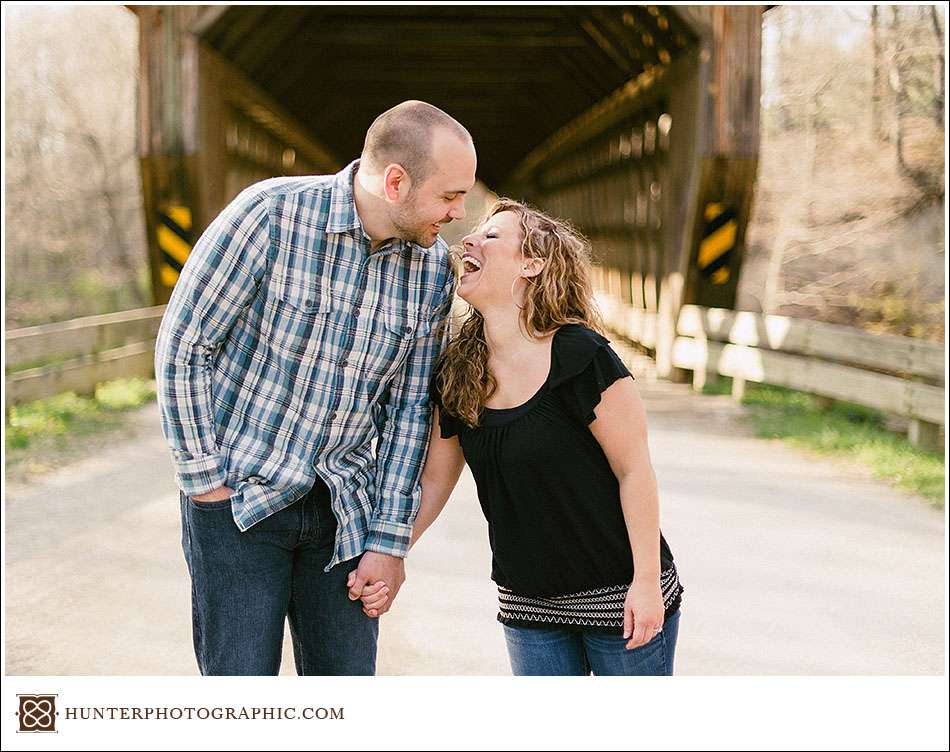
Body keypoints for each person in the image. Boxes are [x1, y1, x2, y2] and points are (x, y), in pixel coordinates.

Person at [154, 100, 477, 675]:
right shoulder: (270, 215)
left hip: (344, 514)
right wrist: (204, 483)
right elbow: (184, 344)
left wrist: (388, 538)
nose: (458, 212)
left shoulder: (432, 270)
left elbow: (408, 414)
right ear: (396, 182)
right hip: (239, 502)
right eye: (450, 196)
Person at [353, 198, 684, 675]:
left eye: (491, 236)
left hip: (620, 595)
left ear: (532, 264)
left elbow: (634, 471)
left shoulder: (581, 356)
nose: (468, 239)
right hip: (529, 606)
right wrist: (389, 551)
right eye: (474, 234)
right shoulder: (458, 370)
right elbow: (435, 480)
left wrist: (647, 583)